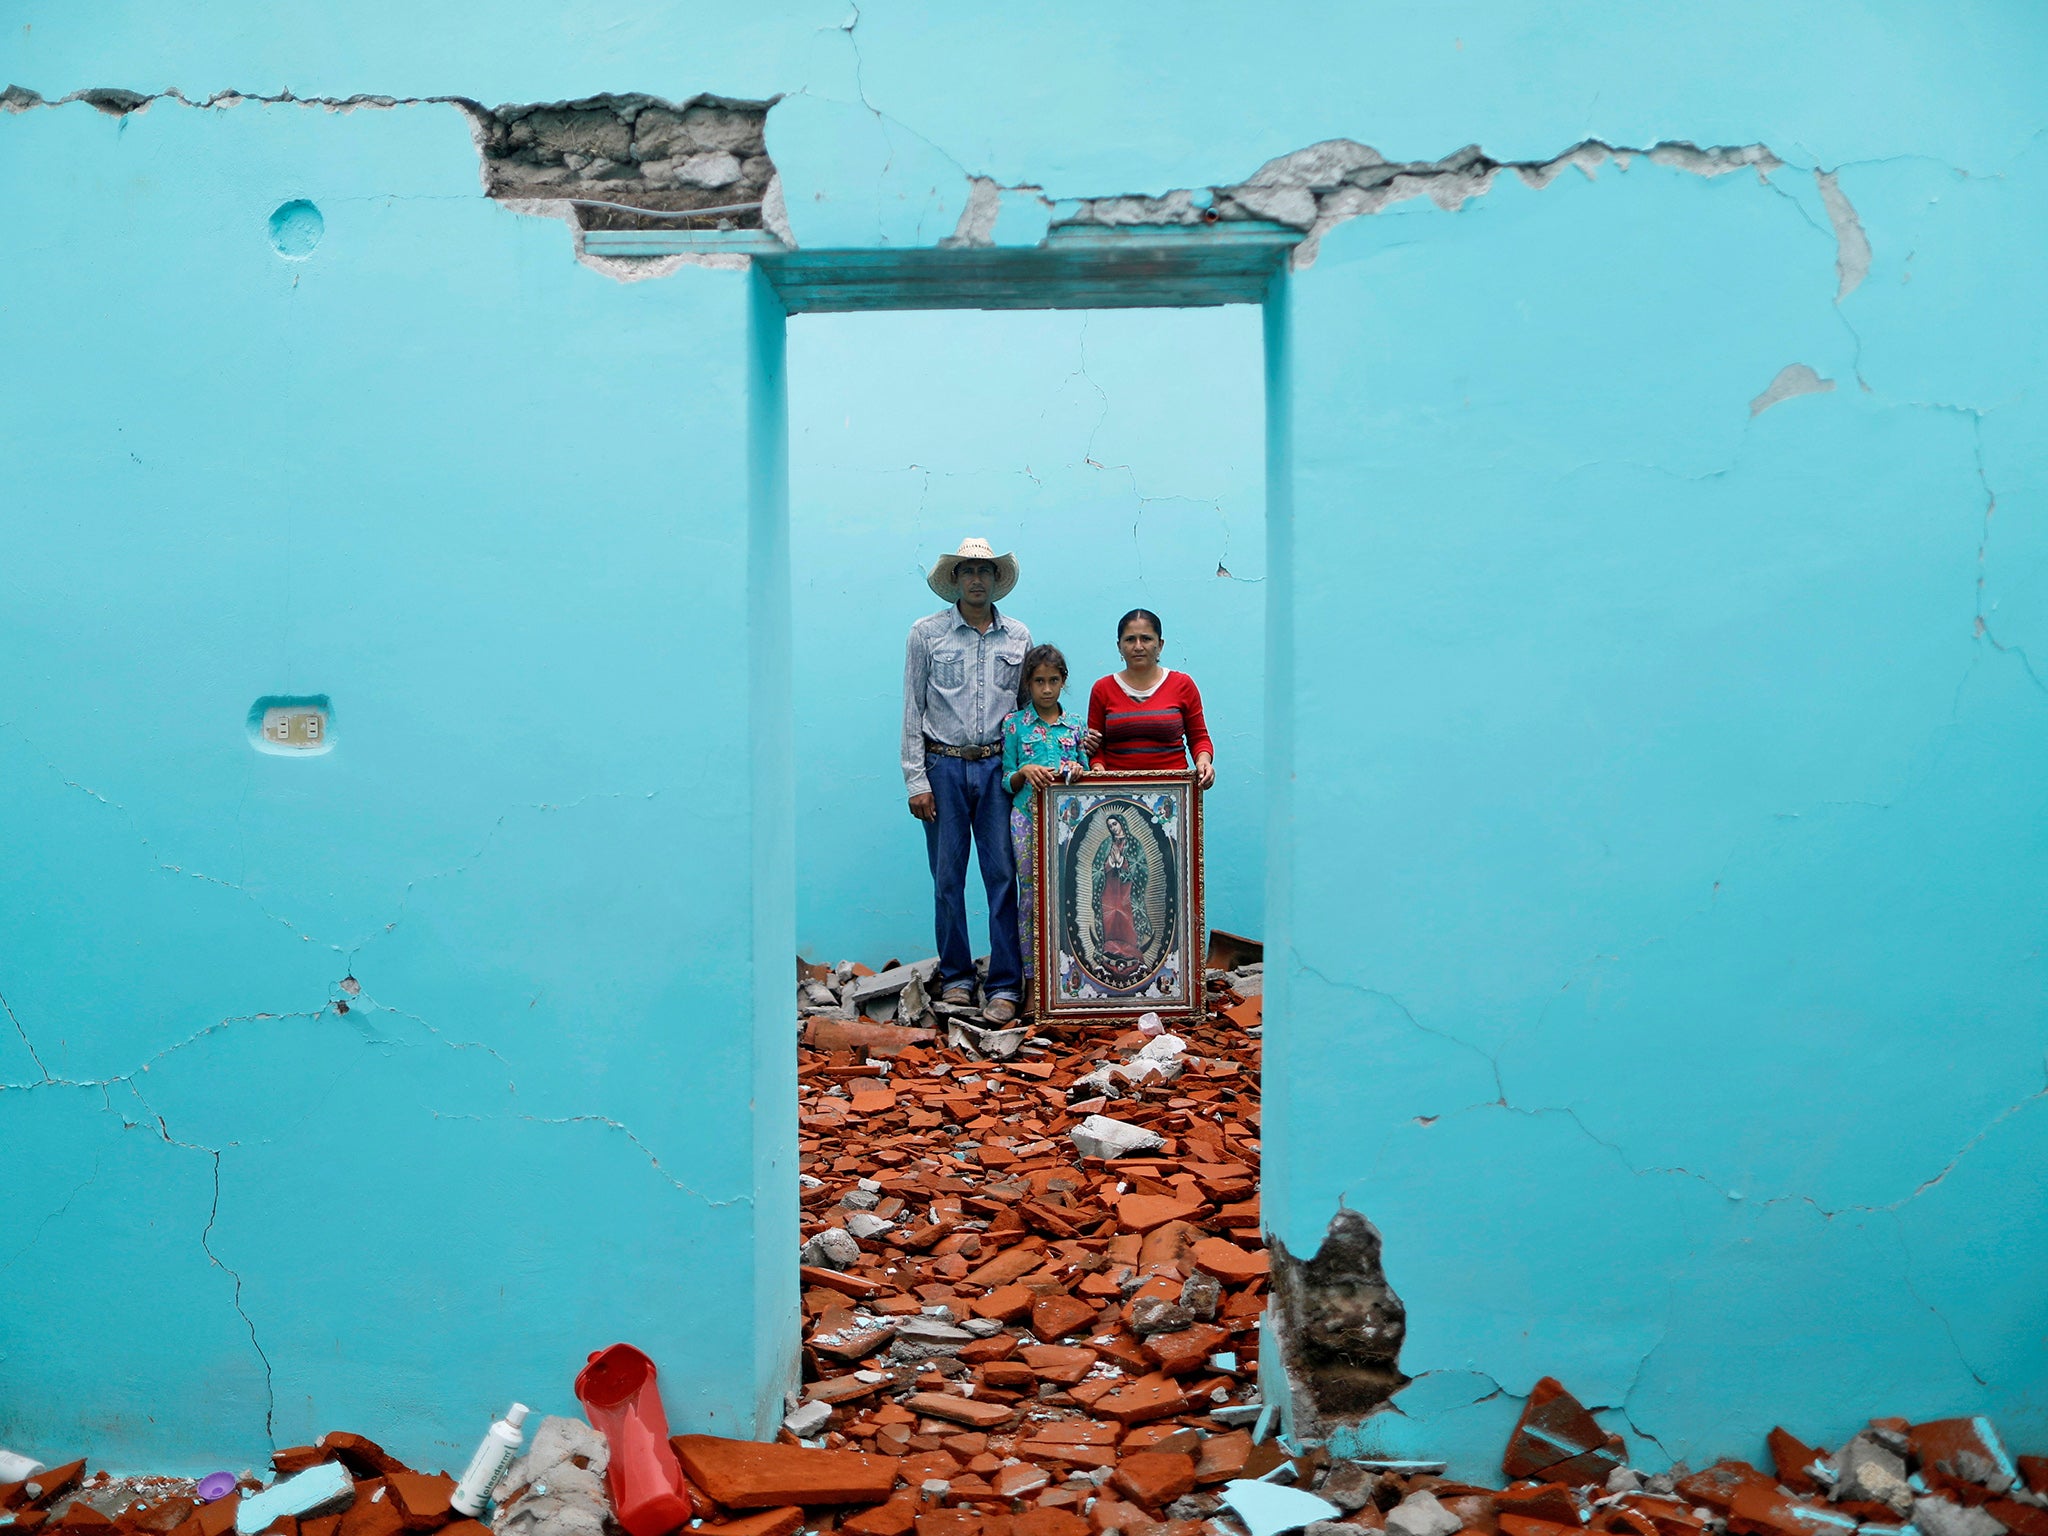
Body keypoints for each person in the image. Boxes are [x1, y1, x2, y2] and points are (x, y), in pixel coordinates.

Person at [902, 537, 1032, 1024]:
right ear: (955, 579)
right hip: (943, 768)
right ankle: (956, 977)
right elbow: (911, 708)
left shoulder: (1018, 635)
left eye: (985, 571)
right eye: (968, 571)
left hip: (1000, 771)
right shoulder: (926, 634)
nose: (977, 580)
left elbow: (1026, 711)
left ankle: (1004, 984)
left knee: (1003, 877)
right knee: (947, 879)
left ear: (997, 581)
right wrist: (917, 779)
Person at [1000, 644, 1090, 1000]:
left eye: (1053, 680)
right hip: (1025, 819)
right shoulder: (1014, 726)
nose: (1047, 689)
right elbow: (1006, 778)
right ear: (1028, 683)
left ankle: (1069, 982)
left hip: (1069, 825)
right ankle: (1032, 982)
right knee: (1029, 898)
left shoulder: (1076, 725)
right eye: (1039, 681)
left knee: (1070, 895)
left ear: (1063, 681)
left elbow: (1086, 768)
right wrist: (1024, 770)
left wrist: (1078, 769)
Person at [1084, 608, 1215, 787]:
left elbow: (1199, 737)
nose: (1138, 646)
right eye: (1130, 639)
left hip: (1173, 793)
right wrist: (1098, 768)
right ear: (1119, 646)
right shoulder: (1102, 689)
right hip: (1116, 794)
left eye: (1146, 639)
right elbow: (1094, 744)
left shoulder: (1183, 684)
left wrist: (1203, 762)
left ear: (1160, 644)